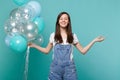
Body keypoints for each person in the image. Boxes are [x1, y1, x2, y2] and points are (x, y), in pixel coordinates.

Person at [28, 12, 104, 80]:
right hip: (55, 69)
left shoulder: (72, 36)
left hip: (69, 70)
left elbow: (83, 51)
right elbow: (46, 51)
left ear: (68, 22)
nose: (63, 20)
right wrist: (34, 45)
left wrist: (94, 41)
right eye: (61, 19)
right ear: (58, 21)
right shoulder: (53, 35)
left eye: (65, 19)